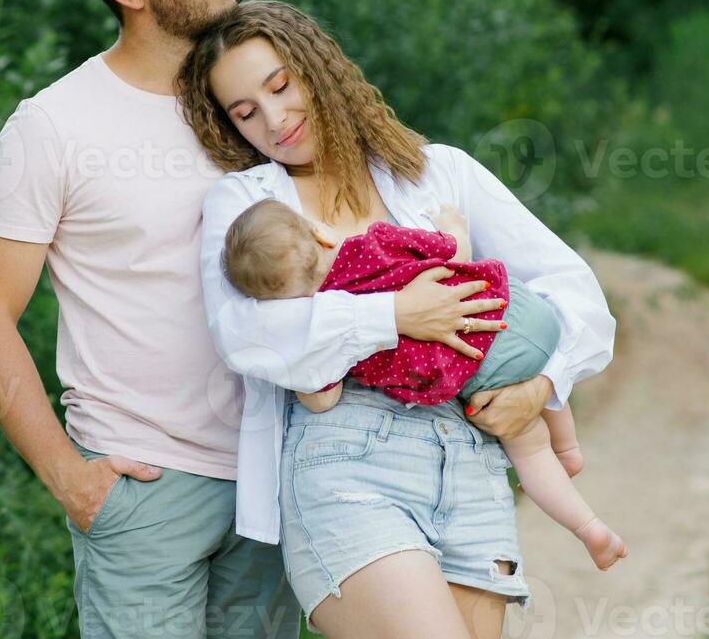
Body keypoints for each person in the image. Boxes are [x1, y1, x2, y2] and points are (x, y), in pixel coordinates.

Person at [0, 0, 509, 639]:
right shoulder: (54, 127)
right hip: (144, 485)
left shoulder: (258, 107)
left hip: (277, 470)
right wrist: (70, 479)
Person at [177, 0, 618, 639]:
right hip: (347, 468)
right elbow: (249, 336)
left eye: (280, 86)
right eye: (244, 112)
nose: (274, 120)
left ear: (316, 68)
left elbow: (575, 290)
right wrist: (395, 315)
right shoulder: (247, 205)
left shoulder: (438, 173)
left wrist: (542, 384)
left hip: (471, 466)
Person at [219, 196, 628, 570]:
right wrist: (453, 225)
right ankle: (570, 448)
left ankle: (591, 529)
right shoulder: (373, 244)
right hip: (515, 308)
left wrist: (300, 378)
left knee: (530, 447)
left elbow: (323, 399)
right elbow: (454, 250)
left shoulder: (329, 326)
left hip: (478, 366)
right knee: (532, 374)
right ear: (320, 233)